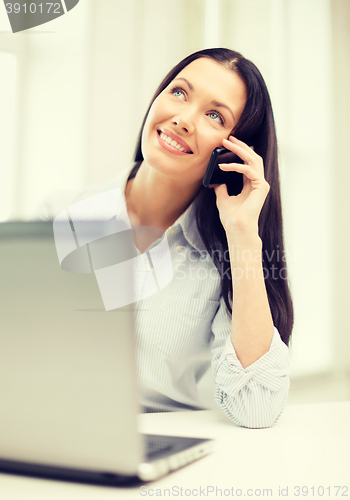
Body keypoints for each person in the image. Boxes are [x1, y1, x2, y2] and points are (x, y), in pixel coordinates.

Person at [38, 48, 293, 428]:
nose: (183, 119)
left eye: (214, 115)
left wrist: (242, 236)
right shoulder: (59, 215)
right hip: (47, 436)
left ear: (236, 151)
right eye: (179, 92)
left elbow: (256, 407)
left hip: (156, 449)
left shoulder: (223, 259)